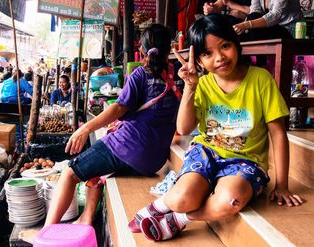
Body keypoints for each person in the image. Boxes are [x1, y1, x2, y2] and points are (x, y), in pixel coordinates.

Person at [129, 14, 303, 241]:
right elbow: (183, 128)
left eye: (225, 46)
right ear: (199, 61)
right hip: (207, 152)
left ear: (236, 43)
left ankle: (178, 219)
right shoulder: (203, 84)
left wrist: (282, 185)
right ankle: (161, 205)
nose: (219, 57)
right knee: (181, 198)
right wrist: (190, 88)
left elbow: (278, 134)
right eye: (207, 53)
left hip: (246, 161)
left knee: (230, 200)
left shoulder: (261, 80)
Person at [19, 23, 183, 244]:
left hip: (128, 148)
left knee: (69, 172)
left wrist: (85, 128)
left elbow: (118, 108)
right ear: (169, 49)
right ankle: (86, 218)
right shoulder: (175, 78)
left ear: (142, 51)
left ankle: (45, 234)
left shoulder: (140, 75)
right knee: (98, 169)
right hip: (153, 161)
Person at [233, 0, 303, 40]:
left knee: (251, 22)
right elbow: (255, 10)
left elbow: (276, 15)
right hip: (271, 28)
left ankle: (259, 56)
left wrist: (246, 25)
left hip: (289, 30)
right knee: (250, 18)